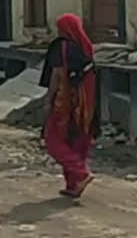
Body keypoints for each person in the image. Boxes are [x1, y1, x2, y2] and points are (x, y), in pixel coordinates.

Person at [39, 13, 99, 198]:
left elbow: (57, 75)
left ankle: (80, 173)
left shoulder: (61, 46)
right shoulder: (85, 48)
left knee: (54, 141)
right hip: (84, 105)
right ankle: (73, 184)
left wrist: (48, 99)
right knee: (75, 142)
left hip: (64, 103)